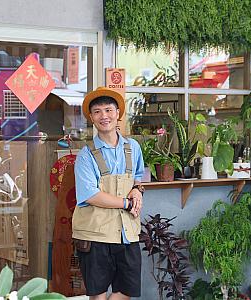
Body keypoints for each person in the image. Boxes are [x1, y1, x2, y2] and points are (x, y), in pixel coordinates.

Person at [72, 87, 145, 300]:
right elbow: (91, 195)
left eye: (108, 110)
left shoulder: (133, 147)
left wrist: (137, 191)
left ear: (117, 113)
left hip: (127, 233)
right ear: (92, 118)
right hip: (96, 235)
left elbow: (138, 177)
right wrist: (126, 203)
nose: (104, 116)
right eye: (97, 112)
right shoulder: (85, 155)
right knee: (98, 295)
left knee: (126, 292)